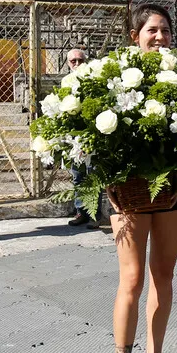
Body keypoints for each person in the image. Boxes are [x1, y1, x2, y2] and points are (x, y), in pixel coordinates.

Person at [106, 4, 177, 353]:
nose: (159, 37)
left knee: (164, 276)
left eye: (165, 31)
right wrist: (108, 185)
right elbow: (95, 145)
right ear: (135, 35)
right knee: (132, 280)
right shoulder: (111, 78)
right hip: (128, 194)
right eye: (151, 30)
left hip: (173, 191)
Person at [65, 48, 103, 229]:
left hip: (93, 134)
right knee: (78, 175)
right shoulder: (65, 82)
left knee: (94, 174)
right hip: (74, 137)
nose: (77, 64)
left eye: (80, 60)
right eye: (74, 61)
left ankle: (95, 213)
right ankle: (81, 211)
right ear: (68, 64)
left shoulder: (93, 80)